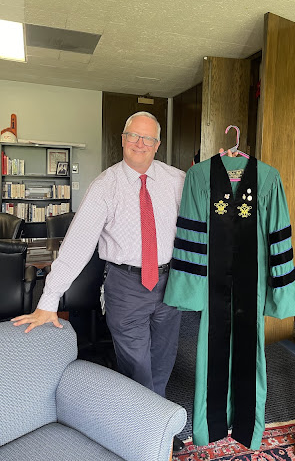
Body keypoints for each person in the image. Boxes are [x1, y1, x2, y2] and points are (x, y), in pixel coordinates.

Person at [12, 111, 187, 452]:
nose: (140, 144)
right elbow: (77, 245)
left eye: (148, 138)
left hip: (172, 281)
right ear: (123, 139)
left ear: (158, 144)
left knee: (164, 356)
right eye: (133, 136)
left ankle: (158, 421)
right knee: (136, 362)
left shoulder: (177, 180)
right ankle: (149, 430)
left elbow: (205, 217)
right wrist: (48, 302)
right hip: (126, 285)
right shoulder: (104, 186)